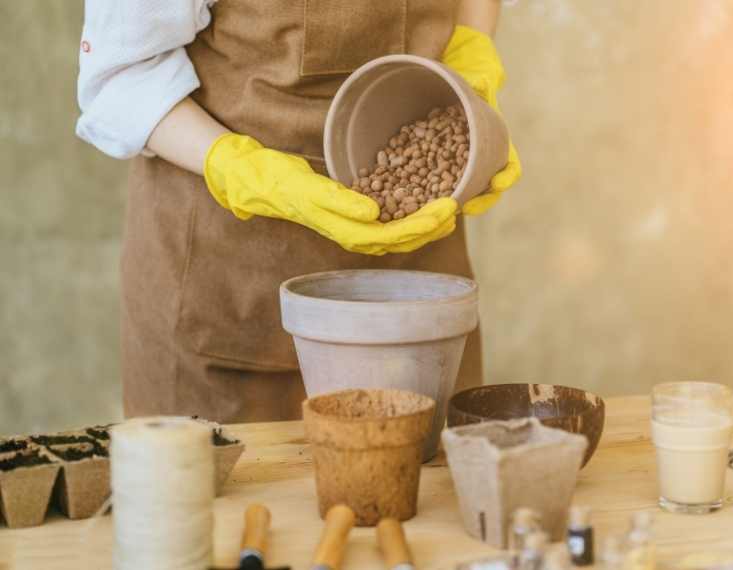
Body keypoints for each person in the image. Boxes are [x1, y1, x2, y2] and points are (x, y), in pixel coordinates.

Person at [76, 0, 521, 423]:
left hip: (416, 283)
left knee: (429, 494)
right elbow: (121, 76)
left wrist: (471, 50)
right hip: (226, 286)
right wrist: (240, 169)